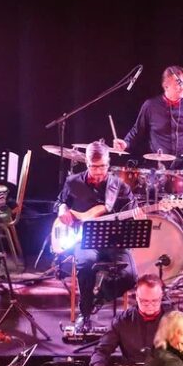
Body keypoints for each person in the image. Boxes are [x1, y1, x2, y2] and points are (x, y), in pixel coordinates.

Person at [56, 141, 139, 328]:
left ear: (108, 163)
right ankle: (84, 314)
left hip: (115, 241)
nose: (99, 171)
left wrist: (136, 215)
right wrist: (62, 209)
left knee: (130, 276)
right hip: (84, 239)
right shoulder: (73, 182)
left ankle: (96, 299)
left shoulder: (120, 187)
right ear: (86, 163)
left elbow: (131, 214)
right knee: (86, 264)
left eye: (103, 166)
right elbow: (60, 202)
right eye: (94, 167)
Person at [114, 66, 183, 170]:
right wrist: (125, 143)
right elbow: (137, 130)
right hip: (158, 165)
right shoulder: (150, 106)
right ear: (166, 86)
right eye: (179, 83)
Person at [86, 272, 168, 366]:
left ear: (161, 297)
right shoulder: (122, 321)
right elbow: (102, 350)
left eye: (155, 301)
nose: (150, 305)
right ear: (137, 297)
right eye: (145, 301)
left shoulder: (174, 319)